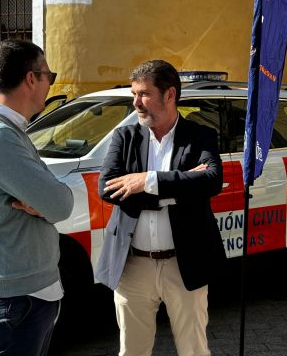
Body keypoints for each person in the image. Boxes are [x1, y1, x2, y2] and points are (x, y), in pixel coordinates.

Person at [94, 60, 226, 356]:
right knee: (132, 351)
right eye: (134, 94)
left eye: (143, 94)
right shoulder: (124, 137)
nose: (136, 102)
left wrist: (148, 180)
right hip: (133, 266)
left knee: (193, 350)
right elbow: (107, 188)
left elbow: (212, 180)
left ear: (169, 95)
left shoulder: (199, 136)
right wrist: (176, 190)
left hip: (185, 263)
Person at [0, 39, 74, 356]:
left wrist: (43, 203)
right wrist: (45, 203)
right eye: (49, 76)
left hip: (24, 300)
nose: (50, 84)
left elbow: (51, 200)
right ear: (30, 78)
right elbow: (61, 204)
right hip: (13, 306)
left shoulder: (9, 130)